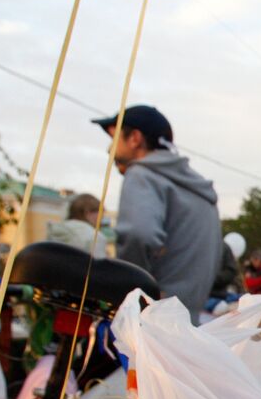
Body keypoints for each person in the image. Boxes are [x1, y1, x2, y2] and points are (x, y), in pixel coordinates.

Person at [93, 104, 221, 314]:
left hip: (151, 324)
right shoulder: (202, 192)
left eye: (114, 139)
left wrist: (130, 294)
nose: (109, 150)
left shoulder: (142, 175)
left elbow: (138, 234)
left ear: (135, 138)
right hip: (188, 325)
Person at [46, 193, 107, 257]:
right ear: (87, 212)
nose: (101, 220)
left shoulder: (53, 231)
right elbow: (98, 265)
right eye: (100, 216)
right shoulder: (95, 237)